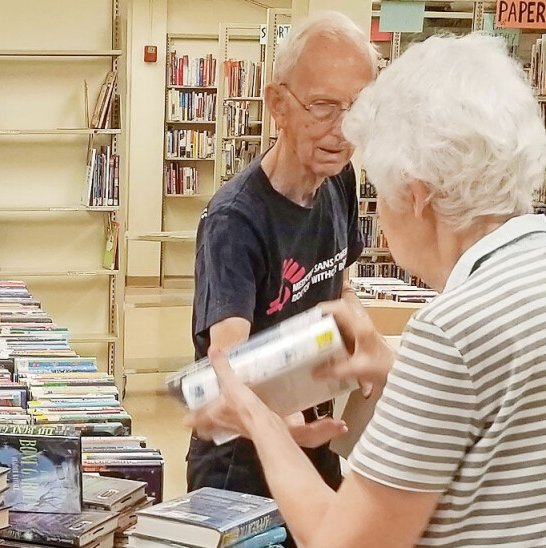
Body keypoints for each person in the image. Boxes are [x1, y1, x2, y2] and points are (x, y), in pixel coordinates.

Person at [187, 32, 546, 547]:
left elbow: (343, 543)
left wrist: (258, 419)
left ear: (416, 195)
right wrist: (398, 370)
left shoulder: (448, 334)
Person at [188, 10, 377, 527]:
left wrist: (364, 354)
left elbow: (342, 286)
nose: (341, 131)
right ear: (278, 105)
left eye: (357, 109)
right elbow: (227, 359)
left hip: (315, 441)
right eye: (322, 107)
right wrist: (283, 424)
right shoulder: (235, 221)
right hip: (241, 467)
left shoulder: (339, 180)